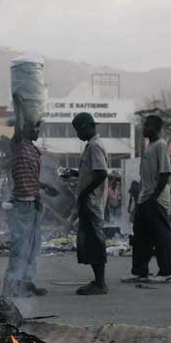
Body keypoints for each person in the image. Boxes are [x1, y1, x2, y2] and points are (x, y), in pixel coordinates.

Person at [2, 120, 58, 298]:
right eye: (33, 127)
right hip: (21, 206)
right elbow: (19, 123)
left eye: (38, 127)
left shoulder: (32, 149)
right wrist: (24, 108)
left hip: (33, 203)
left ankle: (26, 283)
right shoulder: (18, 144)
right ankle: (11, 286)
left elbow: (29, 177)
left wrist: (44, 186)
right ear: (22, 129)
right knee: (20, 247)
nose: (37, 131)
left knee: (33, 246)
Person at [123, 115, 171, 284]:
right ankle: (139, 271)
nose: (144, 128)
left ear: (156, 128)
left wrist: (154, 197)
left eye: (147, 125)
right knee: (140, 236)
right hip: (145, 197)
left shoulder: (160, 145)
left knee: (160, 236)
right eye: (144, 125)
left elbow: (165, 173)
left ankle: (165, 272)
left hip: (155, 198)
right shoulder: (149, 146)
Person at [71, 112, 109, 296]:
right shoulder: (91, 146)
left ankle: (100, 284)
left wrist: (84, 193)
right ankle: (98, 281)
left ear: (86, 127)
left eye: (77, 130)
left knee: (94, 241)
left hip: (91, 201)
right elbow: (92, 173)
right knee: (91, 241)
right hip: (89, 201)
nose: (77, 134)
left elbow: (101, 174)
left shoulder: (95, 146)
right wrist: (76, 174)